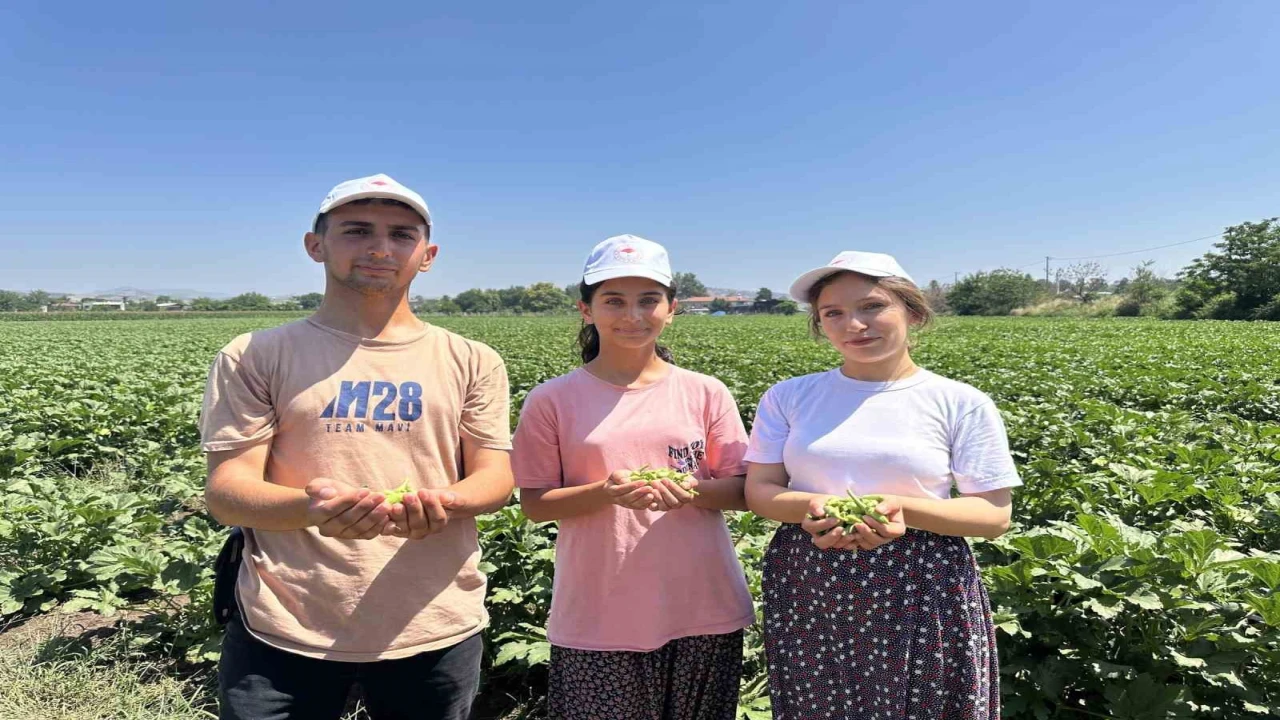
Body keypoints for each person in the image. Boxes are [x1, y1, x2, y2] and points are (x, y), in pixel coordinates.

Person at [200, 173, 514, 720]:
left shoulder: (473, 359)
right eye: (356, 230)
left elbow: (496, 478)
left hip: (433, 620)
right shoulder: (254, 355)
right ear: (314, 245)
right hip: (286, 624)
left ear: (428, 254)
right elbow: (227, 493)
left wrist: (448, 503)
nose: (379, 248)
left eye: (401, 235)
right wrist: (310, 508)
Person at [743, 251, 1021, 720]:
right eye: (833, 313)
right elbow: (761, 491)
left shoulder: (959, 402)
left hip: (923, 579)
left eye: (872, 306)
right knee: (820, 704)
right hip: (813, 575)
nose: (855, 324)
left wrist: (900, 509)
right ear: (820, 324)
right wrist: (817, 508)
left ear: (911, 311)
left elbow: (993, 515)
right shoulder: (789, 396)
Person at [510, 234, 756, 720]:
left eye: (649, 300)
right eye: (614, 301)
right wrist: (605, 492)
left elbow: (743, 491)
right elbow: (535, 503)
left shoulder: (706, 392)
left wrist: (688, 491)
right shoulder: (552, 399)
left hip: (703, 607)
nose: (633, 315)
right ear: (586, 310)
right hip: (599, 612)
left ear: (672, 309)